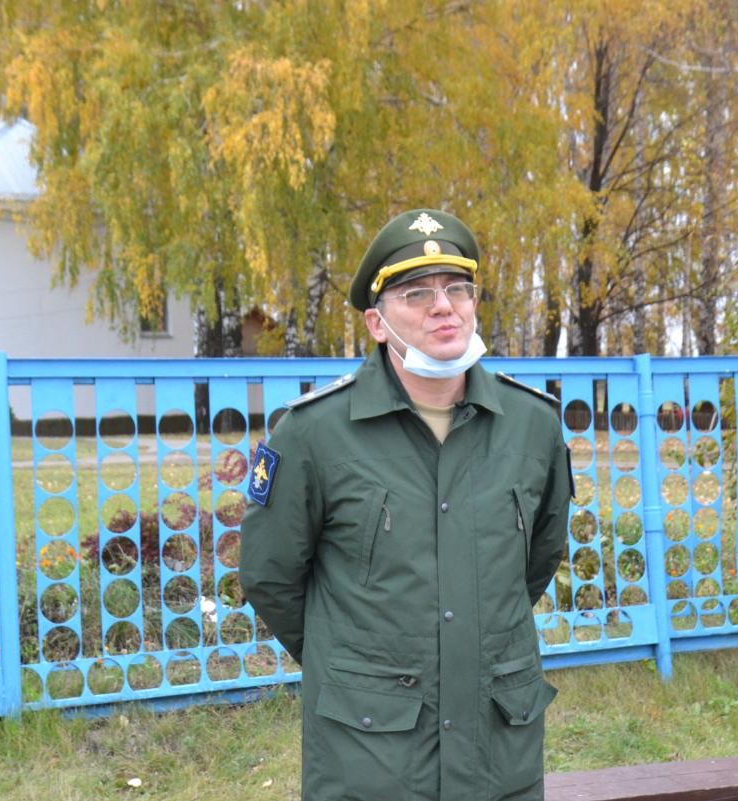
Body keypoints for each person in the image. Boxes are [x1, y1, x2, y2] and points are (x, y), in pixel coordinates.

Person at [239, 209, 572, 801]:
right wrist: (353, 664)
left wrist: (473, 630)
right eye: (417, 293)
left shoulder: (532, 424)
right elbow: (270, 576)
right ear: (376, 322)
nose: (443, 307)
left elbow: (539, 556)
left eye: (457, 289)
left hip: (499, 750)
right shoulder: (314, 433)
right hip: (371, 759)